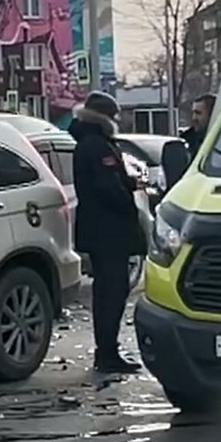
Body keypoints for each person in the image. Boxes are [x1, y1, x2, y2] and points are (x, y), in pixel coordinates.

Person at [69, 91, 145, 374]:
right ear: (105, 117)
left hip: (99, 230)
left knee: (107, 292)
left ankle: (107, 350)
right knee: (112, 294)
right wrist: (129, 196)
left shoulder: (88, 142)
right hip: (109, 231)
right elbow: (107, 187)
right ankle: (108, 353)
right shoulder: (97, 145)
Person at [181, 93, 217, 160]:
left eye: (198, 113)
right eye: (193, 113)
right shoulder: (186, 140)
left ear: (211, 115)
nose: (193, 118)